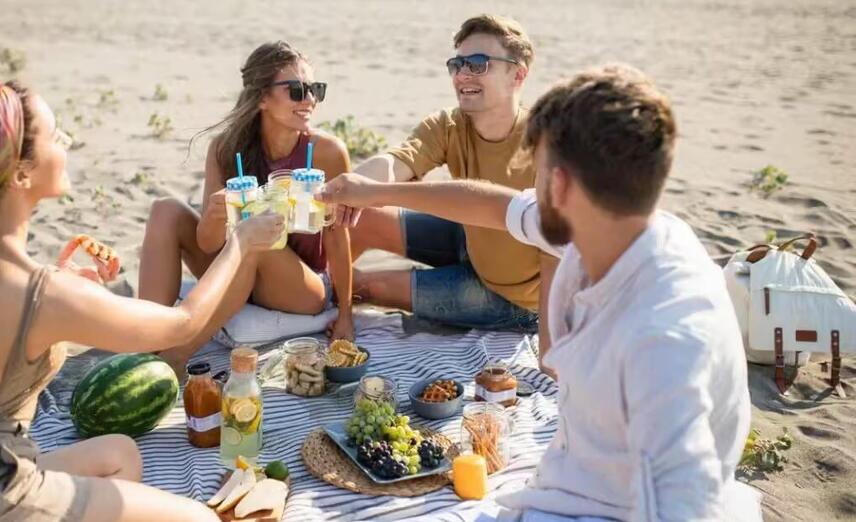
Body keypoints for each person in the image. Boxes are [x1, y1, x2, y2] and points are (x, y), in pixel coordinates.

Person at [318, 65, 753, 520]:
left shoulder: (663, 338)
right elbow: (488, 203)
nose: (527, 186)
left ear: (560, 185)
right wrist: (375, 191)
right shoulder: (616, 225)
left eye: (536, 172)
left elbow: (687, 504)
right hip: (565, 482)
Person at [0, 56, 283, 522]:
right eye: (56, 137)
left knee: (119, 454)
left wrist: (66, 283)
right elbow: (181, 325)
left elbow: (8, 325)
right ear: (20, 173)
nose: (68, 145)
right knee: (202, 519)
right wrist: (240, 245)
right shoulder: (41, 292)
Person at [338, 14, 558, 362]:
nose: (462, 75)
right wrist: (347, 189)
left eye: (477, 64)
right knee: (360, 219)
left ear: (518, 75)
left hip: (512, 296)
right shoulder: (449, 124)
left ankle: (309, 296)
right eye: (457, 64)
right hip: (468, 238)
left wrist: (550, 352)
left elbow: (555, 262)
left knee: (365, 287)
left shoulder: (545, 147)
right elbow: (398, 162)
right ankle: (301, 289)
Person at [139, 41, 354, 371]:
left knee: (258, 235)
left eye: (315, 89)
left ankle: (177, 356)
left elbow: (339, 239)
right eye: (297, 90)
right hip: (236, 267)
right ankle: (147, 342)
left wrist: (345, 316)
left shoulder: (326, 152)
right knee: (166, 209)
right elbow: (208, 243)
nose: (309, 99)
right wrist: (213, 215)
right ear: (263, 97)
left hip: (300, 287)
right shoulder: (226, 149)